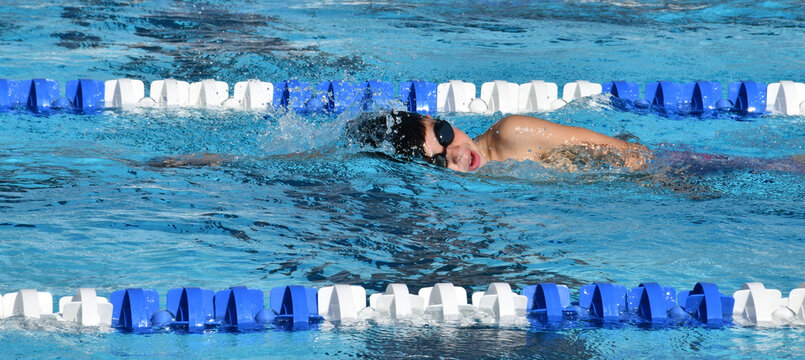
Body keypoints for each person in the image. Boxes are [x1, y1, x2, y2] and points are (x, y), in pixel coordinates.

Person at [349, 110, 654, 173]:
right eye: (440, 161)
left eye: (443, 135)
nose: (456, 153)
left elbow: (628, 153)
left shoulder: (512, 133)